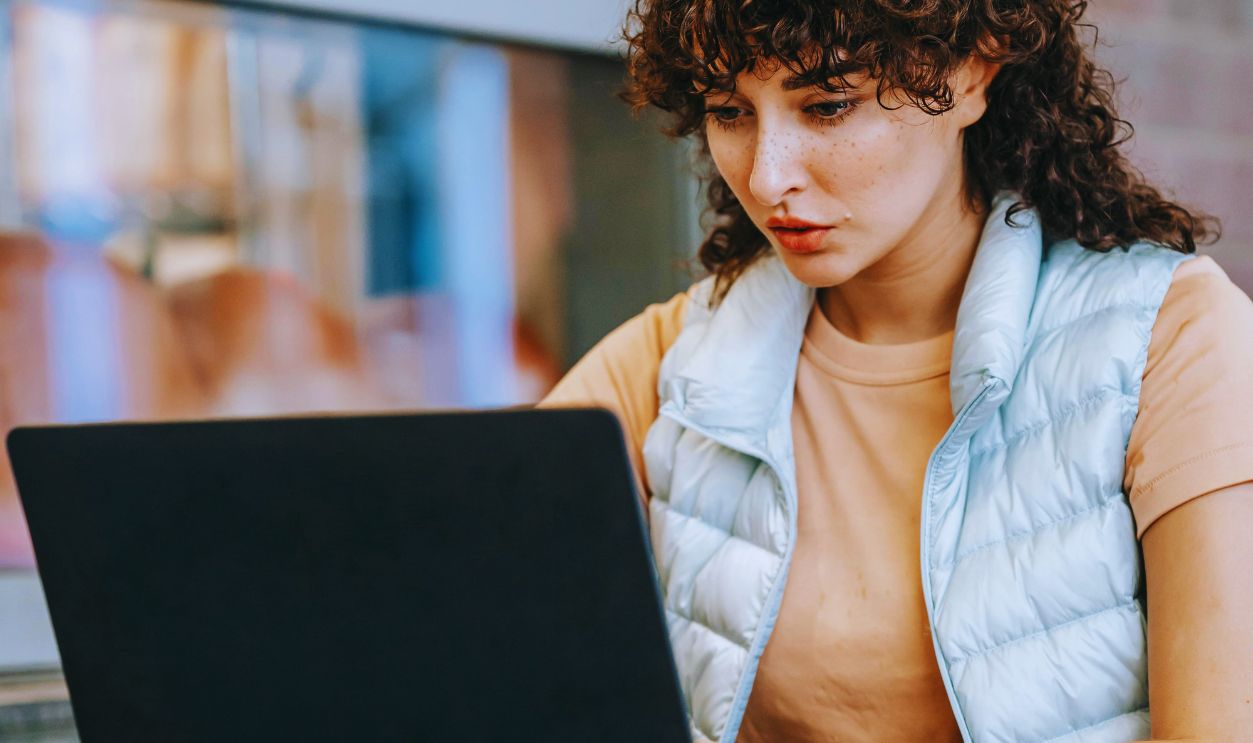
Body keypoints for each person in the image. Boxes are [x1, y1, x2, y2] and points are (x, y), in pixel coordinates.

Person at [542, 2, 1253, 741]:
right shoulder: (668, 362)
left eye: (827, 105)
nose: (766, 174)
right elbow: (457, 584)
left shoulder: (1169, 335)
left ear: (973, 71)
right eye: (729, 111)